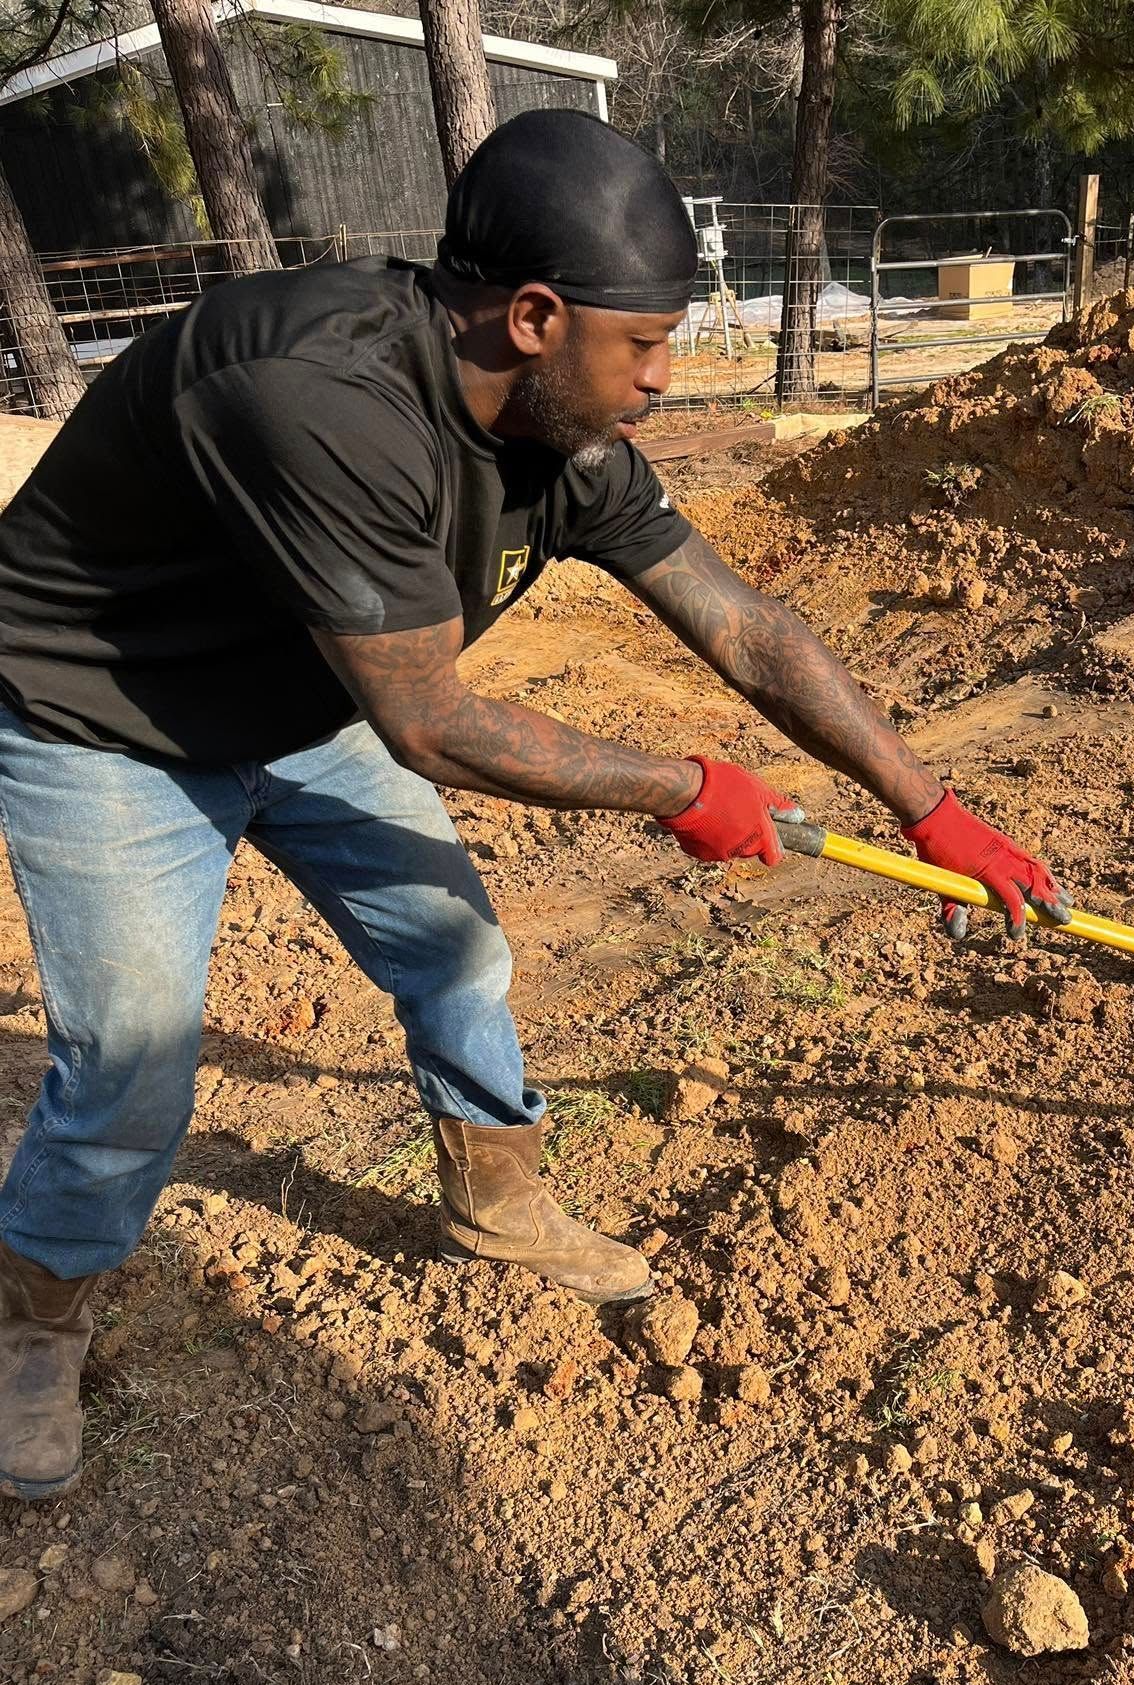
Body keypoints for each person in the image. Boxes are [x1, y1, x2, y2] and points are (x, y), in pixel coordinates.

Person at [0, 109, 1071, 1504]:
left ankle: (497, 1200)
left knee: (457, 953)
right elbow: (432, 720)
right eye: (645, 344)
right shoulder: (317, 393)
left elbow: (746, 632)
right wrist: (687, 788)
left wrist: (932, 807)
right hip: (111, 717)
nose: (667, 379)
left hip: (310, 695)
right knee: (135, 1052)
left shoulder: (563, 436)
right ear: (535, 316)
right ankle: (39, 1314)